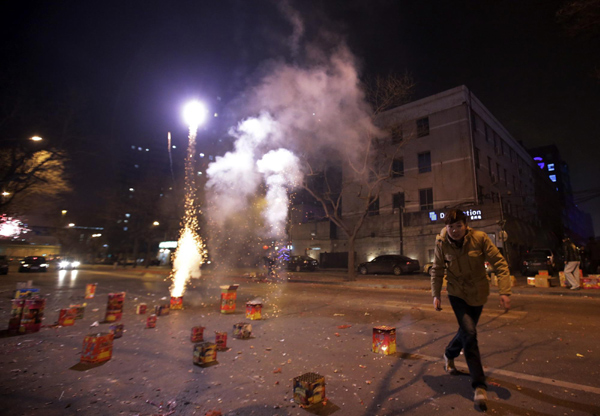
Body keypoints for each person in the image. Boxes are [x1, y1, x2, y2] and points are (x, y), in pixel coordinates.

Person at [430, 209, 511, 411]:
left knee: (467, 331)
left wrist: (505, 291)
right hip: (456, 293)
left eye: (459, 226)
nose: (455, 231)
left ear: (466, 225)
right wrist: (436, 294)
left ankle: (449, 354)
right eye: (450, 227)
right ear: (446, 227)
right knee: (470, 334)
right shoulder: (441, 243)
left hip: (478, 294)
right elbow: (438, 269)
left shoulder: (480, 239)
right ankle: (479, 386)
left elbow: (500, 263)